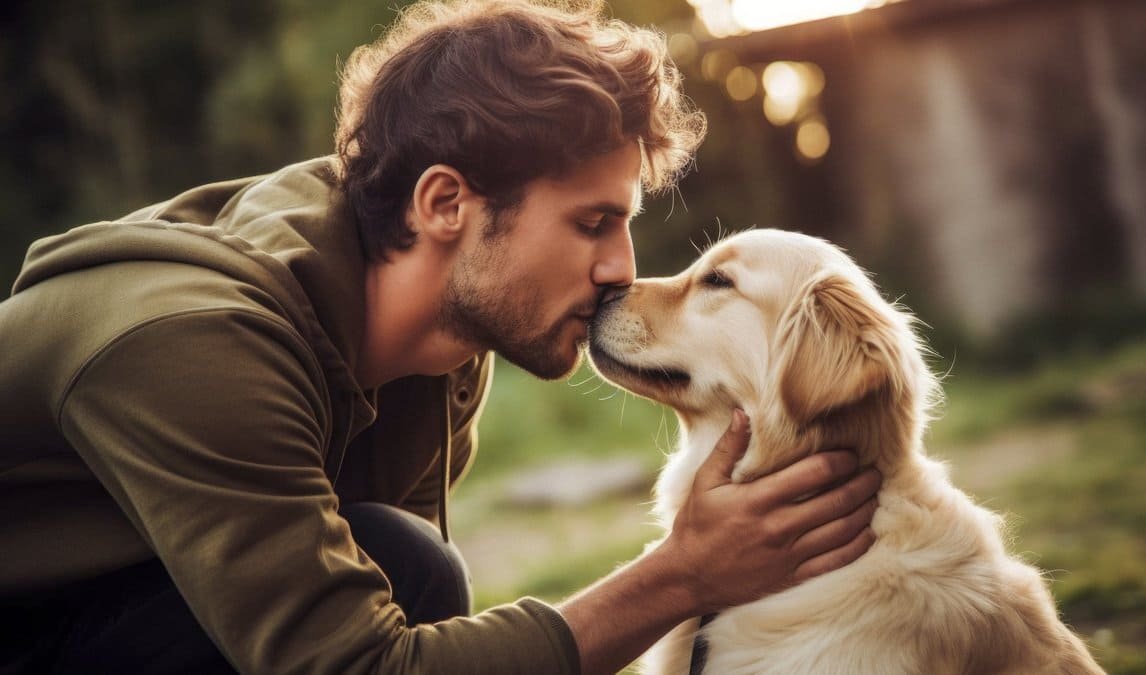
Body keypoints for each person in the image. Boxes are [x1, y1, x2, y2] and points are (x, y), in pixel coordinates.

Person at [0, 0, 883, 673]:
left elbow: (406, 629)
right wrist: (681, 576)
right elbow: (358, 665)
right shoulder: (198, 348)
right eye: (591, 223)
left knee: (408, 569)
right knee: (406, 565)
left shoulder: (438, 347)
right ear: (445, 203)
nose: (621, 269)